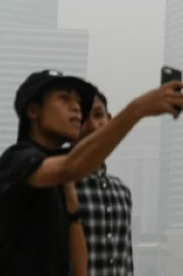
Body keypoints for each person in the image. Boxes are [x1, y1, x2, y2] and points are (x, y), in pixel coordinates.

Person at [0, 70, 183, 276]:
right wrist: (138, 109)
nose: (76, 109)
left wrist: (72, 208)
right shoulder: (15, 161)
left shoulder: (65, 181)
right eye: (64, 99)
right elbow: (71, 165)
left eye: (78, 102)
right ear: (34, 110)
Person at [75, 91, 136, 275]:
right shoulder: (58, 186)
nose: (93, 126)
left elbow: (126, 262)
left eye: (99, 115)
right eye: (83, 118)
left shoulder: (121, 192)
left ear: (110, 120)